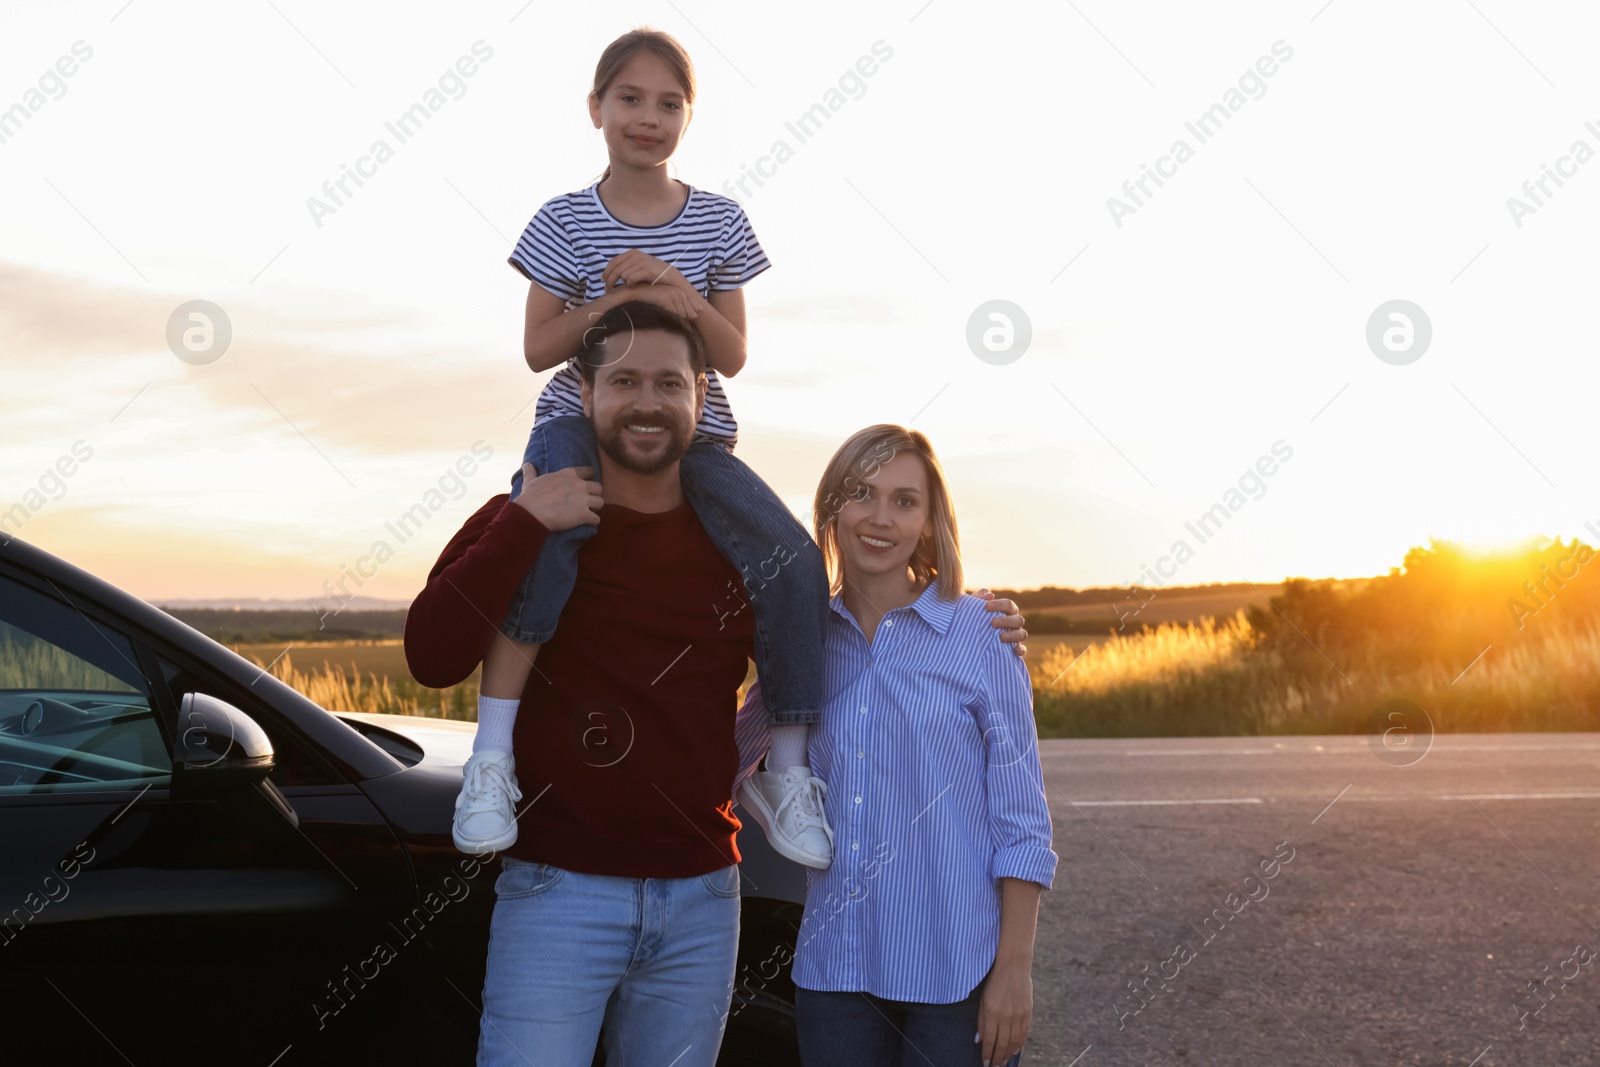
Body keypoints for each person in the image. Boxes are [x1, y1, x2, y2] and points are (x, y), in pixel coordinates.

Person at [403, 305, 1029, 1064]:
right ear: (586, 391)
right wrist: (523, 522)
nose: (647, 402)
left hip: (701, 898)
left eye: (669, 382)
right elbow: (432, 654)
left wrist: (971, 623)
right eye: (625, 380)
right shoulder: (533, 516)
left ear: (701, 397)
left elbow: (785, 682)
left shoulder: (744, 552)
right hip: (557, 893)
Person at [453, 26, 833, 867]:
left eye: (668, 103)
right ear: (597, 108)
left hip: (691, 431)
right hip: (578, 423)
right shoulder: (563, 220)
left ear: (688, 119)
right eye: (630, 98)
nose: (647, 117)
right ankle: (491, 758)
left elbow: (729, 355)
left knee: (793, 560)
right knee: (549, 547)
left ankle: (787, 769)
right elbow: (540, 347)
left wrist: (675, 289)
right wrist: (611, 295)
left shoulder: (720, 221)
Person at [735, 425, 1057, 1067]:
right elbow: (722, 756)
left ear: (931, 522)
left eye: (905, 501)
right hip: (836, 971)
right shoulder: (802, 643)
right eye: (862, 494)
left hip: (958, 975)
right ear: (832, 508)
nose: (881, 518)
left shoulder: (980, 635)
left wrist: (1014, 973)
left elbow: (1022, 823)